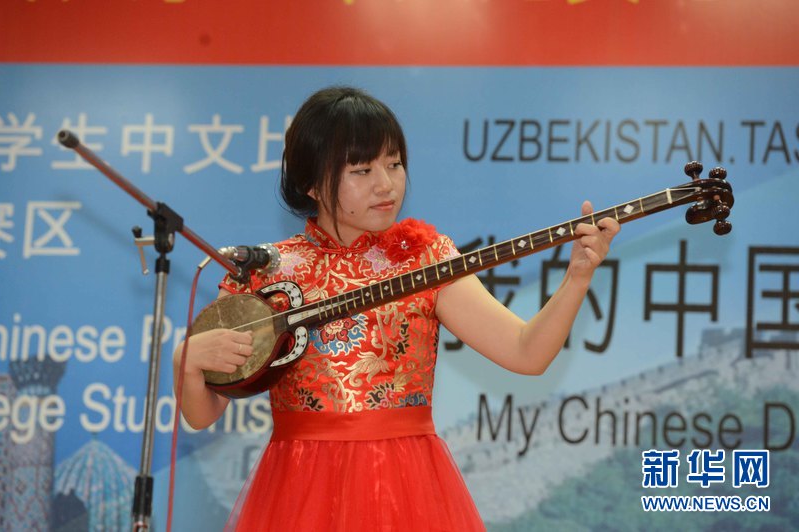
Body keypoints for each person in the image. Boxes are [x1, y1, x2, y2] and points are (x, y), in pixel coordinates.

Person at [173, 86, 620, 531]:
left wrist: (578, 276)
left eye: (394, 164)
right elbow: (203, 412)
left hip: (408, 487)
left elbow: (527, 352)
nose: (386, 184)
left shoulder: (424, 258)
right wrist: (187, 360)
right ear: (311, 182)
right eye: (362, 170)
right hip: (300, 493)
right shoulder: (265, 271)